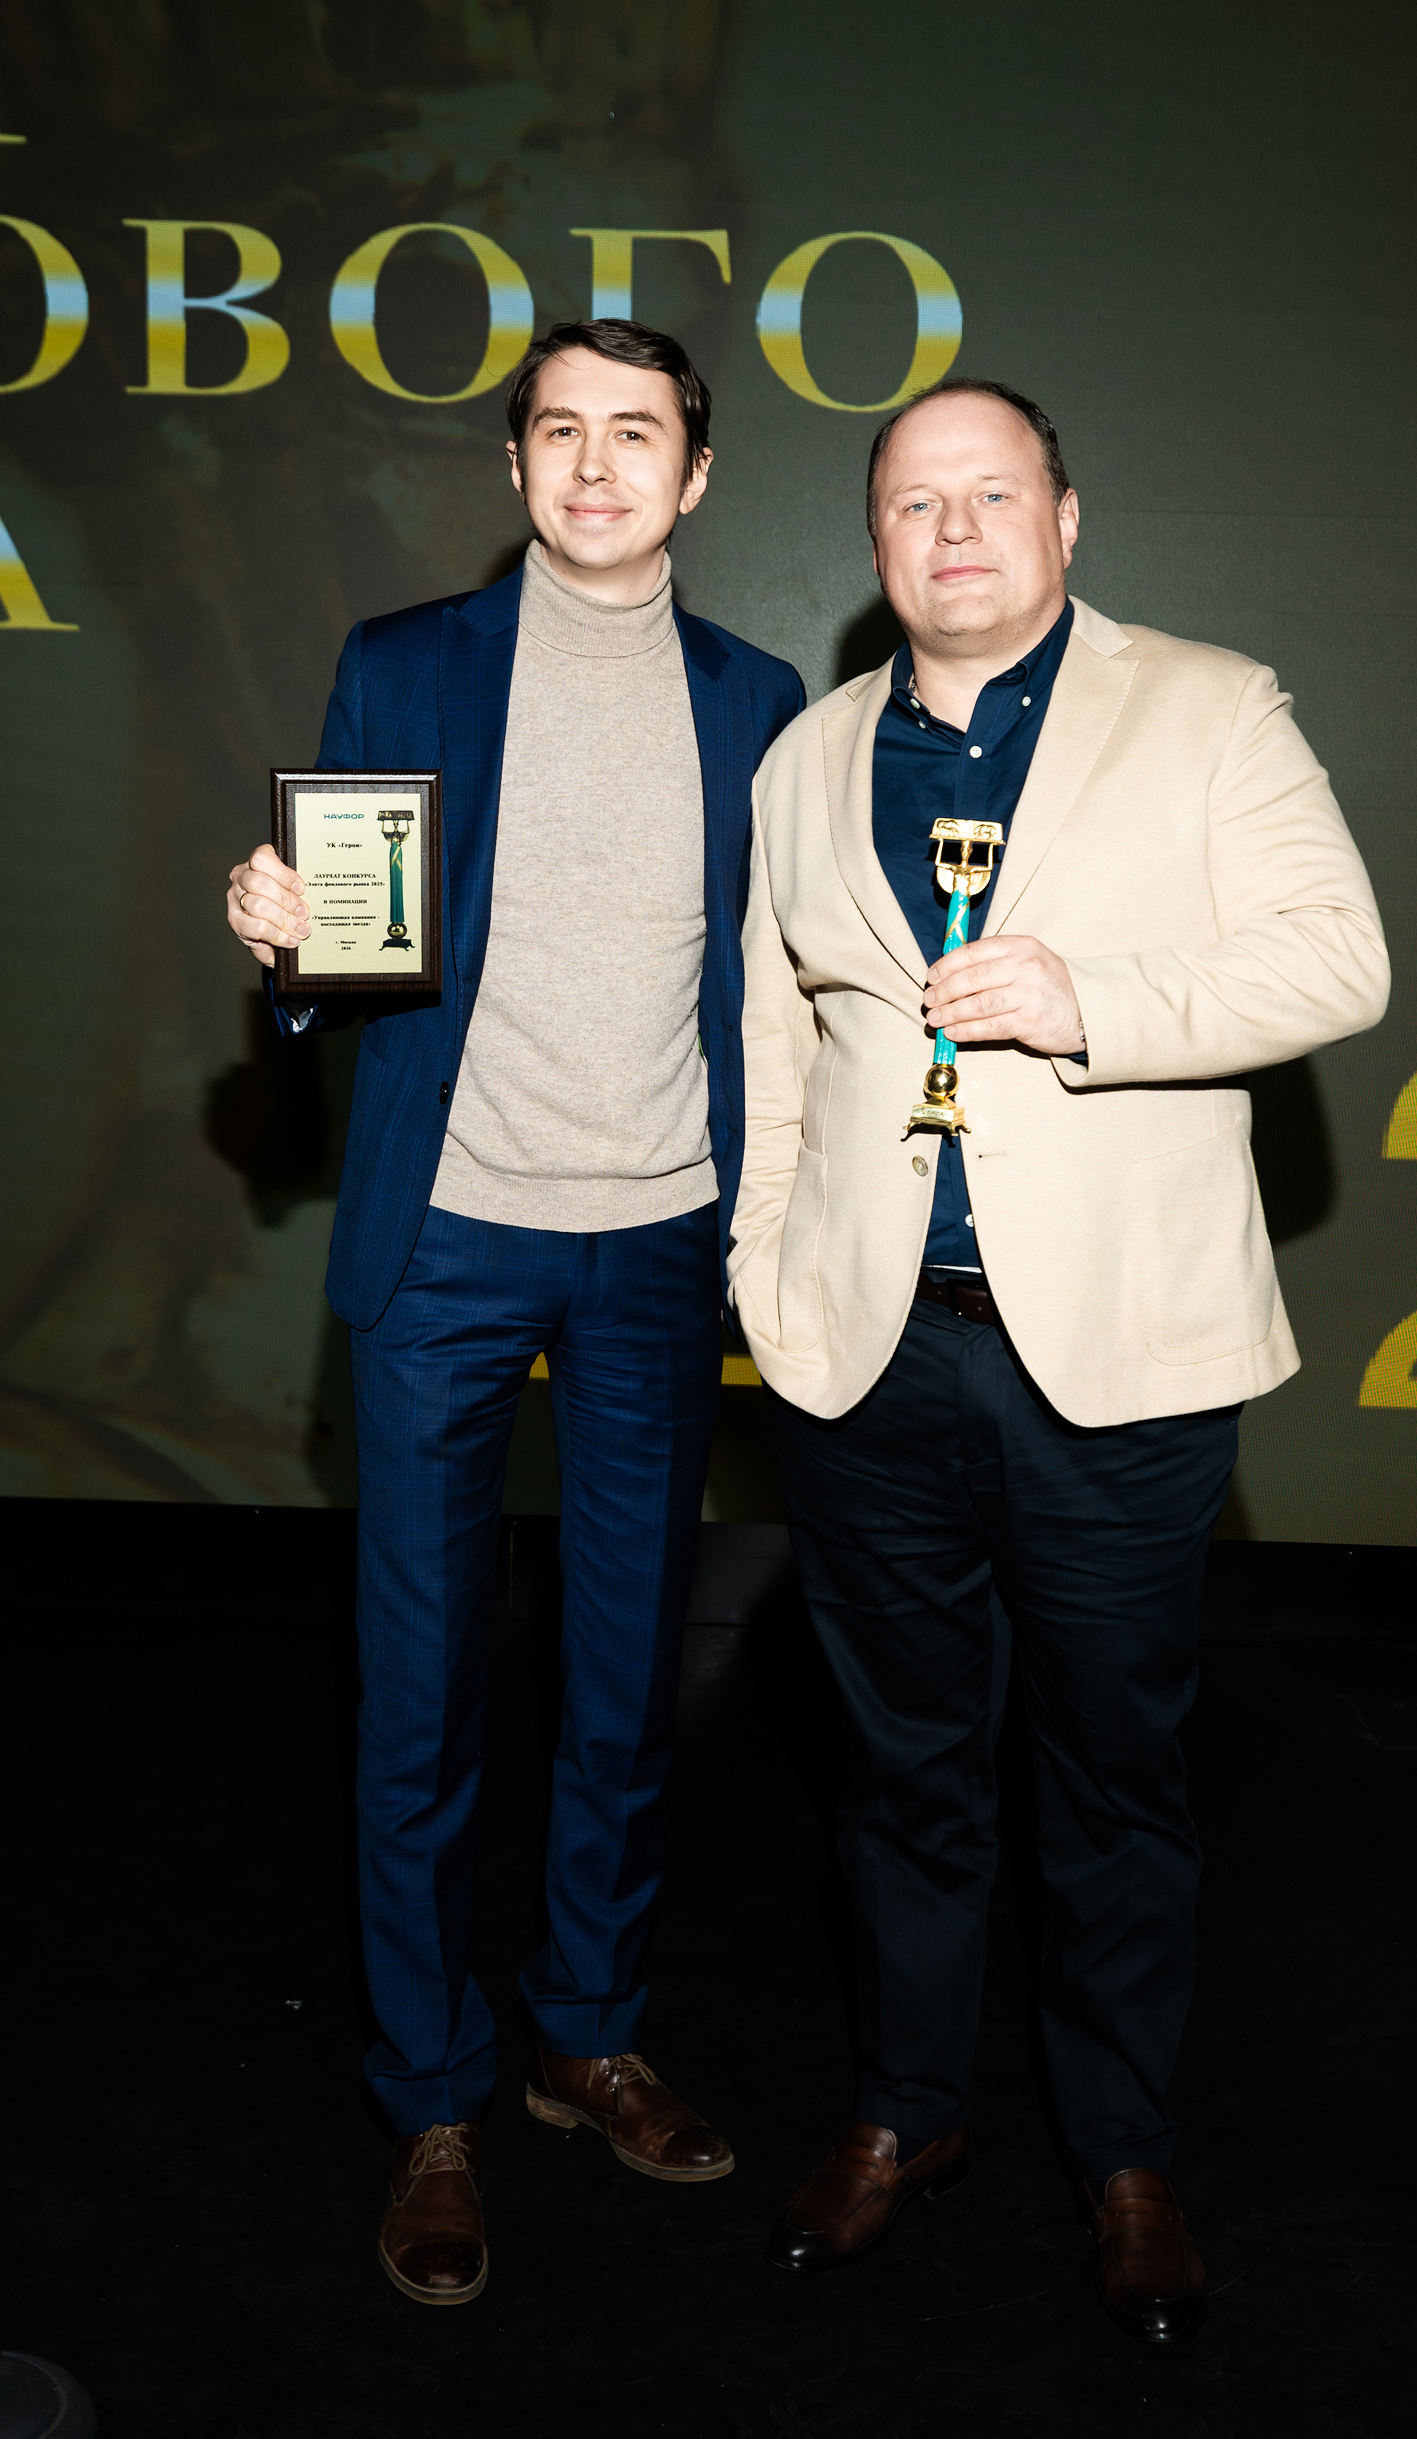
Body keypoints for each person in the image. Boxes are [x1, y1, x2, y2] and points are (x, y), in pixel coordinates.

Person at [729, 377, 1388, 2343]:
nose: (952, 530)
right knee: (902, 1773)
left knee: (1113, 1776)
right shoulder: (806, 757)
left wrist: (1093, 997)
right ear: (873, 543)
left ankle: (1121, 2150)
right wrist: (768, 1281)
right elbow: (777, 1039)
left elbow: (1336, 958)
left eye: (990, 493)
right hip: (869, 1364)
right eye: (912, 502)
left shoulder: (1210, 706)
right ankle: (907, 2108)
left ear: (1067, 517)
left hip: (1117, 1362)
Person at [225, 319, 804, 2305]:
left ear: (695, 476)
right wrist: (287, 947)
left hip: (654, 1243)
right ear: (514, 464)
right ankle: (433, 2095)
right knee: (419, 1690)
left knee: (625, 1679)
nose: (593, 464)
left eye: (634, 433)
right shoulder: (404, 659)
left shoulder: (760, 700)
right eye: (559, 429)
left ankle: (588, 2031)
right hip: (446, 1237)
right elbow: (348, 944)